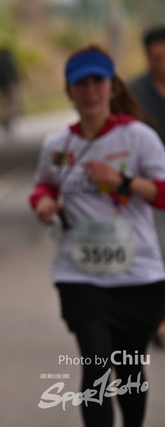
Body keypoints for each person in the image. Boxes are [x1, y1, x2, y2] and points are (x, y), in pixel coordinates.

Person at [30, 45, 165, 427]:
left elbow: (161, 194)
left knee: (130, 369)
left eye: (97, 81)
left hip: (137, 273)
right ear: (69, 91)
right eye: (81, 83)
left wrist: (121, 180)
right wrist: (43, 203)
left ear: (112, 87)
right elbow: (44, 185)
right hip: (79, 272)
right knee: (97, 367)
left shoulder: (138, 138)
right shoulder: (58, 146)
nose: (90, 90)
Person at [128, 26, 165, 346]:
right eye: (157, 58)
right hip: (150, 188)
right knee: (158, 250)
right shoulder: (134, 93)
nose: (162, 63)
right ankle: (158, 320)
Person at [0, 47, 20, 139]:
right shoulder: (9, 60)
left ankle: (3, 119)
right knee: (10, 103)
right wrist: (15, 83)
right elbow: (13, 73)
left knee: (2, 103)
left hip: (0, 85)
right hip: (8, 84)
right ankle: (7, 119)